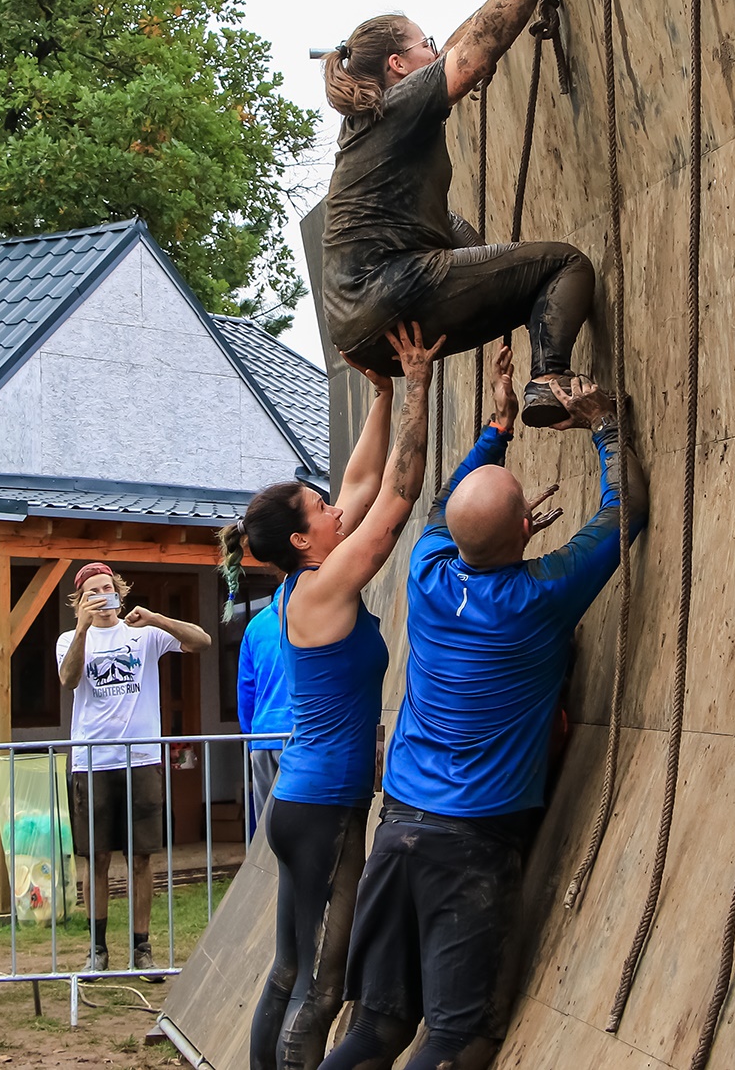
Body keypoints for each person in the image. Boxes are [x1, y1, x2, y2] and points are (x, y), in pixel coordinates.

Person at [317, 360, 649, 1070]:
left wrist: (498, 425)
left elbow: (446, 504)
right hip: (472, 845)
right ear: (528, 527)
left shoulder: (429, 570)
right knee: (455, 1042)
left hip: (398, 828)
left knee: (374, 1028)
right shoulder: (542, 595)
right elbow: (623, 515)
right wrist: (606, 427)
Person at [237, 324, 439, 1070]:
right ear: (302, 538)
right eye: (318, 509)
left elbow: (358, 486)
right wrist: (418, 381)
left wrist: (379, 395)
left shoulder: (303, 579)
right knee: (322, 988)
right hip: (324, 810)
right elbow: (396, 496)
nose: (334, 508)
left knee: (287, 971)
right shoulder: (324, 589)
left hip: (303, 800)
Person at [319, 0, 591, 430]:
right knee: (566, 262)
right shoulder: (403, 102)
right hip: (394, 290)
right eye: (425, 43)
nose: (434, 50)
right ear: (399, 65)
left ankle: (528, 316)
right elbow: (470, 55)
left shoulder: (363, 128)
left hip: (360, 331)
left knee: (457, 228)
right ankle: (549, 378)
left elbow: (451, 51)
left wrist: (501, 275)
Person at [57, 561, 212, 978]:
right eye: (92, 591)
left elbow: (202, 642)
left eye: (107, 588)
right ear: (81, 600)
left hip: (142, 759)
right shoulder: (70, 639)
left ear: (120, 591)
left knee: (142, 858)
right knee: (97, 859)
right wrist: (84, 628)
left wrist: (157, 616)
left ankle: (142, 948)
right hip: (93, 761)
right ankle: (97, 949)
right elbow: (69, 680)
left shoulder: (144, 635)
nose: (101, 596)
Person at [233, 587, 294, 836]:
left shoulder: (256, 625)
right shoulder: (317, 612)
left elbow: (245, 690)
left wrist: (250, 739)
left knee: (267, 829)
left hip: (263, 736)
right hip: (302, 732)